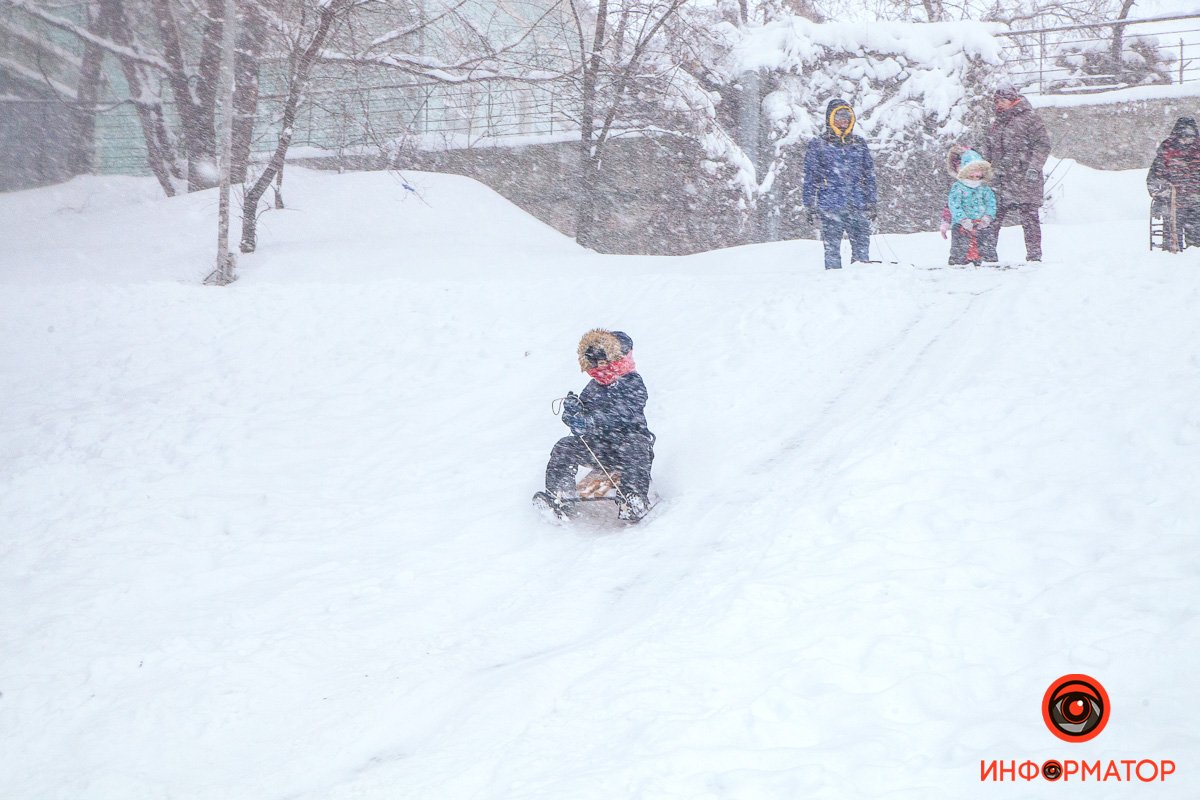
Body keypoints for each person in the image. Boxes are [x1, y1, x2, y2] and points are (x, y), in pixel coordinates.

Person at [542, 329, 655, 521]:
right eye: (597, 361)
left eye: (605, 361)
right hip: (599, 449)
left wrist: (593, 420)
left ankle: (633, 499)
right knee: (564, 446)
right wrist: (573, 415)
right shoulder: (593, 388)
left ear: (618, 359)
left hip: (627, 448)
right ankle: (559, 496)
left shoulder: (632, 383)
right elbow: (583, 418)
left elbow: (624, 412)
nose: (601, 366)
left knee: (636, 445)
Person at [978, 86, 1051, 263]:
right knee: (992, 216)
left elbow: (1042, 145)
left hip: (1025, 177)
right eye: (996, 101)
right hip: (1000, 178)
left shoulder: (1030, 118)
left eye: (1002, 100)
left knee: (1029, 218)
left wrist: (1034, 167)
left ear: (1013, 100)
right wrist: (983, 167)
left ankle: (1034, 256)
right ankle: (988, 255)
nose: (999, 104)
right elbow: (988, 148)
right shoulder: (997, 123)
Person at [803, 98, 878, 269]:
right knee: (832, 252)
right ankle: (833, 282)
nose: (843, 121)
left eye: (846, 117)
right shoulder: (818, 145)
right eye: (839, 117)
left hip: (857, 205)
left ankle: (860, 280)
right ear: (831, 119)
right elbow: (810, 177)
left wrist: (872, 201)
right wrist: (809, 204)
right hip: (830, 207)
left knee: (862, 253)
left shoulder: (859, 144)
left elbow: (869, 175)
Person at [1147, 116, 1200, 250]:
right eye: (1183, 136)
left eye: (1190, 136)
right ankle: (1171, 258)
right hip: (1172, 203)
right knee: (1172, 242)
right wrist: (1161, 192)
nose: (1186, 140)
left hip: (1196, 202)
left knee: (1197, 242)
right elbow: (1154, 177)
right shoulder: (1167, 151)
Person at [946, 150, 997, 266]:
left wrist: (987, 217)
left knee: (986, 246)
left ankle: (988, 262)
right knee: (960, 248)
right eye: (971, 175)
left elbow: (991, 203)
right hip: (961, 225)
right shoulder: (958, 187)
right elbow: (954, 205)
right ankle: (958, 263)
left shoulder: (984, 188)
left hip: (982, 224)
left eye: (977, 176)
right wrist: (962, 219)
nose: (975, 178)